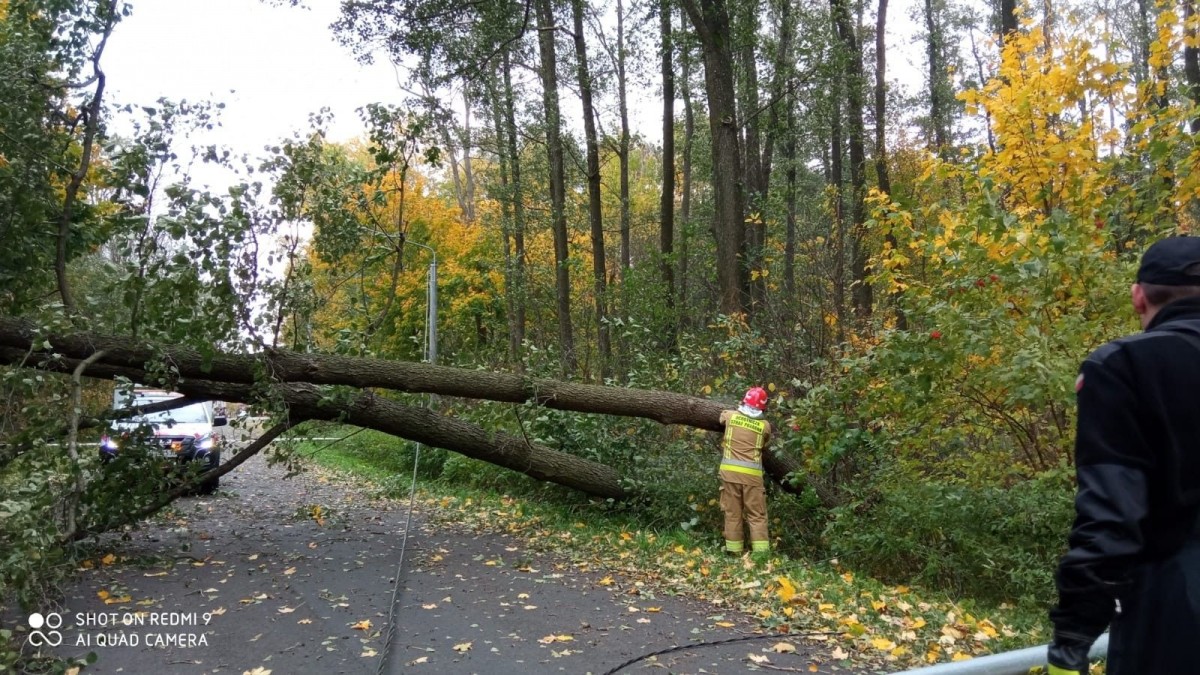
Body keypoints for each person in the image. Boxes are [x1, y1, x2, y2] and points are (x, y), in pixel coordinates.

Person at [1048, 236, 1200, 675]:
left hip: (1175, 613)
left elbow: (1112, 515)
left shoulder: (1124, 366)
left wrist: (1073, 635)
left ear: (1138, 297)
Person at [718, 387, 773, 557]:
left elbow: (721, 417)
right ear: (763, 407)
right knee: (757, 515)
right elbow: (765, 443)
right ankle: (761, 556)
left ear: (744, 401)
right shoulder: (765, 426)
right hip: (752, 479)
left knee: (732, 514)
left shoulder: (730, 416)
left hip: (730, 475)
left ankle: (734, 553)